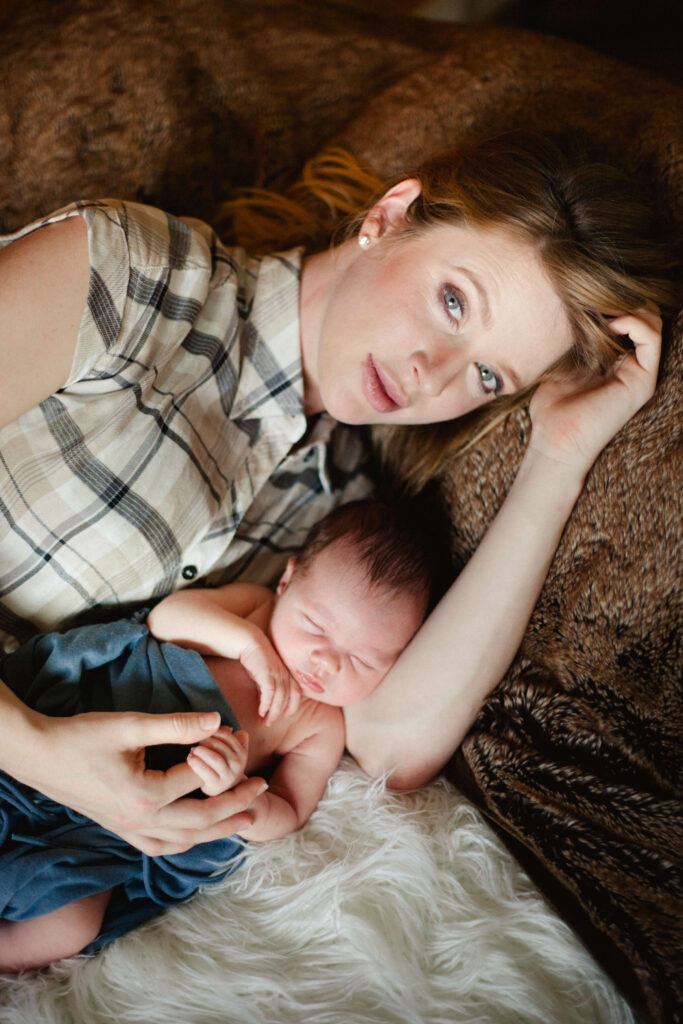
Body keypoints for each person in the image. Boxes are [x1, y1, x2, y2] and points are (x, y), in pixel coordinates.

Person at [0, 131, 678, 856]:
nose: (432, 374)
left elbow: (391, 746)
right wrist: (37, 751)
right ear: (389, 215)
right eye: (453, 302)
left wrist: (556, 461)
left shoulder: (340, 512)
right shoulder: (135, 276)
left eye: (488, 377)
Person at [0, 499, 436, 970]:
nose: (326, 662)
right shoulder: (253, 608)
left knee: (72, 926)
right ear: (286, 582)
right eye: (316, 627)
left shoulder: (321, 723)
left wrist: (238, 792)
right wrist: (248, 646)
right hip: (80, 725)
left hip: (104, 837)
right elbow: (166, 620)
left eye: (362, 660)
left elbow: (289, 812)